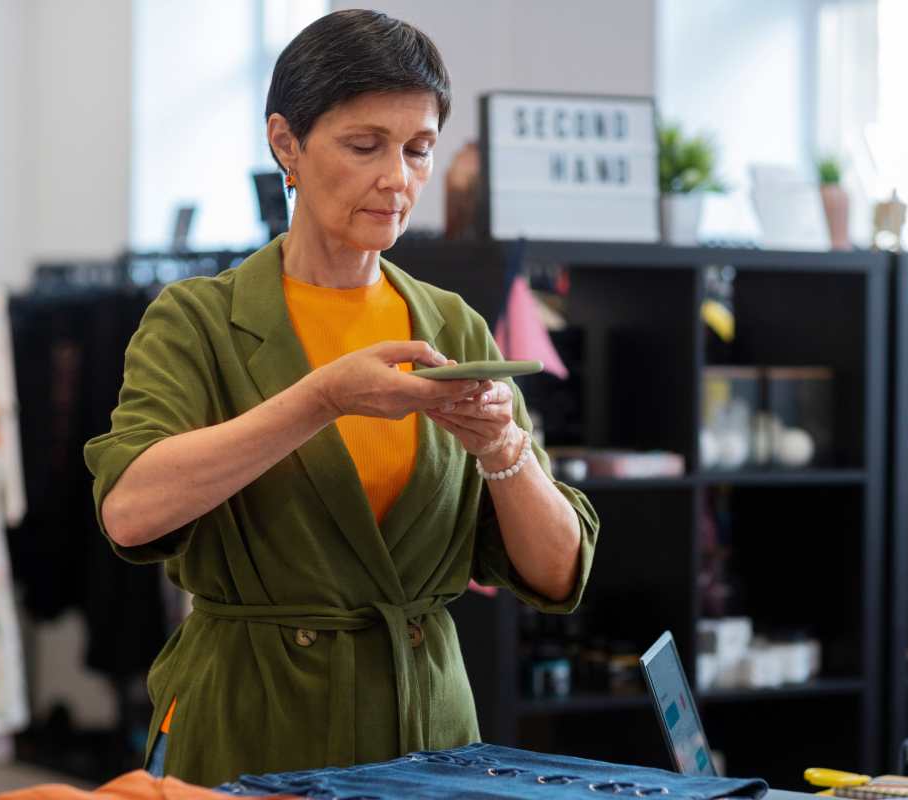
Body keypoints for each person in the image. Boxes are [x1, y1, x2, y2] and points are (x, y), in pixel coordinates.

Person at [84, 9, 599, 787]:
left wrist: (505, 453)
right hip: (253, 722)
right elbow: (129, 509)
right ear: (285, 142)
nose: (397, 179)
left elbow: (558, 575)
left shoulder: (451, 323)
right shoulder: (199, 320)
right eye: (365, 146)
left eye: (418, 151)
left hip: (428, 734)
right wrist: (321, 397)